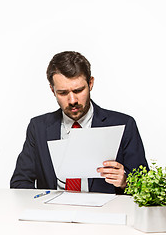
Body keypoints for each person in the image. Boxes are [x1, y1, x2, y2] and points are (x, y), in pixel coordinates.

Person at [10, 51, 148, 194]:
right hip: (53, 212)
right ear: (52, 90)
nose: (72, 100)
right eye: (63, 93)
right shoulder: (38, 127)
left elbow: (146, 185)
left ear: (91, 83)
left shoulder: (124, 124)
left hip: (104, 213)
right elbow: (19, 183)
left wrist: (125, 182)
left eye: (78, 90)